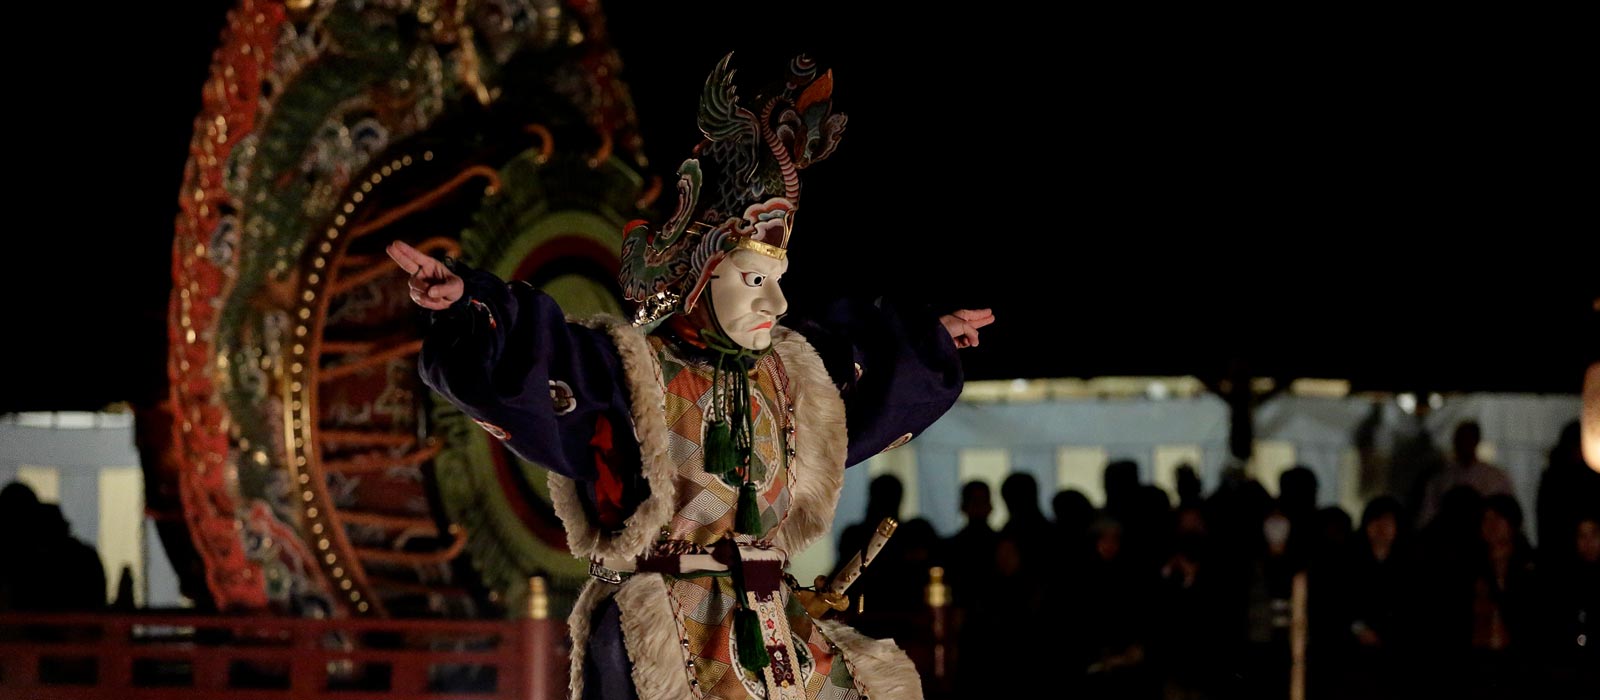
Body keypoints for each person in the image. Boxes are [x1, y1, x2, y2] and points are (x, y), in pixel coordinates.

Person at [396, 53, 993, 700]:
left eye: (780, 282)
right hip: (662, 636)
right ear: (702, 283)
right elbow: (534, 358)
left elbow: (862, 370)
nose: (777, 304)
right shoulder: (632, 373)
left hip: (775, 633)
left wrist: (930, 341)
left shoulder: (788, 377)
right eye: (755, 282)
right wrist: (468, 305)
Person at [1418, 421, 1513, 527]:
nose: (1464, 444)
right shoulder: (1441, 477)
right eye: (1460, 439)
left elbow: (1506, 512)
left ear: (1476, 441)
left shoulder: (1495, 477)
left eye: (1468, 439)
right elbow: (1427, 513)